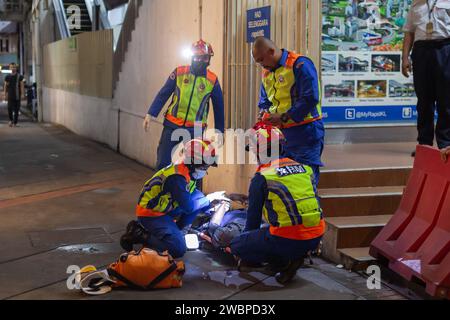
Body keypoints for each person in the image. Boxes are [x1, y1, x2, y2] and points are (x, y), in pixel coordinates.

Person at [230, 123, 325, 284]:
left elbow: (252, 222)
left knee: (238, 244)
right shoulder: (305, 168)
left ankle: (281, 263)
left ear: (260, 151)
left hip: (288, 238)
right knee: (271, 230)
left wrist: (245, 246)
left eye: (254, 150)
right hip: (316, 235)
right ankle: (296, 256)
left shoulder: (263, 176)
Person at [120, 139, 218, 258]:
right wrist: (208, 200)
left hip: (164, 208)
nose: (205, 170)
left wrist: (209, 204)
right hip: (151, 214)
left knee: (200, 199)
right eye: (204, 166)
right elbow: (188, 207)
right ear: (193, 162)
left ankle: (176, 231)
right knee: (178, 249)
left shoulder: (186, 170)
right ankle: (139, 233)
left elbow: (192, 196)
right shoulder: (177, 178)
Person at [251, 37, 324, 186]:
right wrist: (264, 112)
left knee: (304, 182)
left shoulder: (300, 65)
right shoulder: (267, 72)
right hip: (280, 137)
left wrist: (284, 116)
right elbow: (265, 100)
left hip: (305, 133)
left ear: (271, 51)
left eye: (261, 60)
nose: (261, 65)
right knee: (282, 183)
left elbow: (311, 97)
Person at [143, 40, 225, 170]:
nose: (200, 60)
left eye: (204, 57)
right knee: (163, 162)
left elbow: (219, 107)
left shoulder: (212, 80)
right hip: (172, 124)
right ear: (192, 57)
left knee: (196, 166)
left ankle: (193, 191)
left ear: (209, 59)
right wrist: (151, 113)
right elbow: (163, 93)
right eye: (197, 57)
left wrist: (220, 131)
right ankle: (161, 189)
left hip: (196, 128)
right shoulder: (180, 72)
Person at [402, 0, 450, 157]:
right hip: (421, 51)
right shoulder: (416, 5)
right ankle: (424, 144)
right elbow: (409, 32)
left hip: (445, 48)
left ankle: (445, 144)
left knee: (446, 99)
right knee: (424, 100)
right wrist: (405, 59)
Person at [3, 63, 25, 127]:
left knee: (16, 109)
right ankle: (10, 120)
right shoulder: (7, 77)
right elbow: (5, 86)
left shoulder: (20, 76)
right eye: (12, 67)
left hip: (17, 95)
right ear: (10, 68)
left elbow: (22, 85)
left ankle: (15, 122)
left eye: (14, 67)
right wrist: (5, 94)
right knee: (9, 108)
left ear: (16, 68)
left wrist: (23, 94)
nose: (13, 68)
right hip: (10, 95)